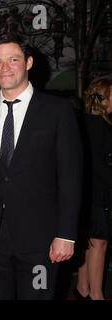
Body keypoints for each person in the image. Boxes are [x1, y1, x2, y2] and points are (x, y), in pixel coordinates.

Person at [0, 32, 83, 299]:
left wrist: (66, 234)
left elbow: (71, 176)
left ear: (29, 63)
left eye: (13, 59)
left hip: (40, 242)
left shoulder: (57, 111)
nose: (5, 68)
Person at [75, 77, 112, 300]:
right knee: (99, 242)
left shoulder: (90, 121)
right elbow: (97, 164)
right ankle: (96, 295)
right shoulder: (97, 125)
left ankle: (83, 288)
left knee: (89, 243)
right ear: (104, 97)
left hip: (91, 192)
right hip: (97, 193)